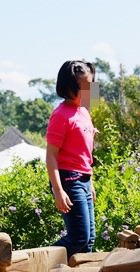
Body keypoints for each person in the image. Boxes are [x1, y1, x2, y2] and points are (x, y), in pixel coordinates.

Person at [46, 60, 97, 257]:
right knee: (78, 237)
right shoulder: (60, 115)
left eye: (91, 85)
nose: (90, 91)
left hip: (84, 178)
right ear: (68, 87)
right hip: (69, 179)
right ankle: (41, 260)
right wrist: (58, 191)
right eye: (84, 87)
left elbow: (84, 152)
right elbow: (51, 155)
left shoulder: (84, 111)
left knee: (88, 240)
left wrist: (90, 182)